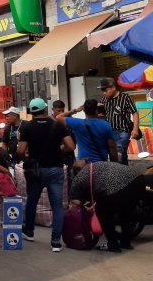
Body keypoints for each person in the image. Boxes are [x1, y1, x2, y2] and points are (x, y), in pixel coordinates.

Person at [17, 97, 75, 252]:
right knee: (57, 206)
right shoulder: (57, 125)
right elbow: (70, 146)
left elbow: (21, 151)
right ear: (45, 109)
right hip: (55, 169)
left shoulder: (27, 127)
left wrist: (27, 159)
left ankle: (29, 231)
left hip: (36, 170)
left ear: (31, 112)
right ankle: (56, 242)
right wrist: (58, 151)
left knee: (32, 201)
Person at [70, 159, 153, 252]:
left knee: (103, 212)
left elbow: (75, 202)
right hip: (137, 180)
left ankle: (113, 244)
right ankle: (125, 242)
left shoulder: (78, 178)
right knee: (126, 212)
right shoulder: (96, 165)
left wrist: (86, 209)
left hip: (116, 187)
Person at [56, 99, 117, 163]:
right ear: (96, 111)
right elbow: (112, 146)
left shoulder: (77, 123)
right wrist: (115, 163)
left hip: (84, 163)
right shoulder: (106, 125)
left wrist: (75, 110)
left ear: (84, 110)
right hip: (101, 163)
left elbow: (58, 117)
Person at [99, 77, 139, 165]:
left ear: (113, 87)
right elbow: (102, 114)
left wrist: (135, 129)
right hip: (109, 132)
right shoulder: (104, 99)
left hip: (123, 131)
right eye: (102, 90)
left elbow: (135, 113)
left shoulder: (125, 97)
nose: (104, 93)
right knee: (118, 155)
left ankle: (120, 173)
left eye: (105, 90)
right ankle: (123, 172)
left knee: (119, 151)